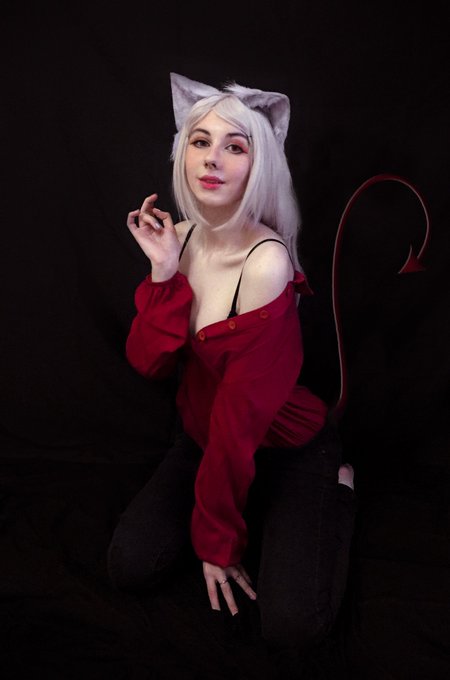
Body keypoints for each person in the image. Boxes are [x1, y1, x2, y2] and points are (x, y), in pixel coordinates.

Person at [108, 72, 355, 675]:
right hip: (204, 437)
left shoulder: (266, 263)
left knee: (292, 627)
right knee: (129, 566)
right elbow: (148, 363)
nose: (211, 159)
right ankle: (253, 502)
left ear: (257, 166)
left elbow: (240, 423)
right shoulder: (180, 237)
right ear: (183, 152)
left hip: (286, 444)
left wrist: (216, 542)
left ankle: (340, 485)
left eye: (234, 146)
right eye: (200, 141)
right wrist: (164, 274)